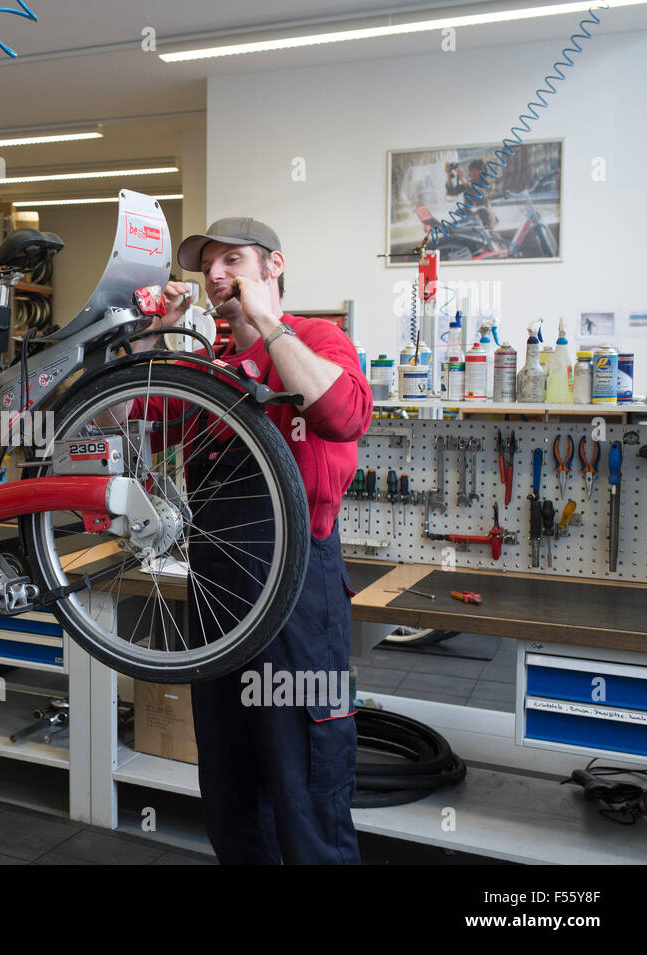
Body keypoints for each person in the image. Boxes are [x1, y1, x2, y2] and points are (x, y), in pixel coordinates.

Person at [136, 217, 372, 864]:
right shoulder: (202, 366)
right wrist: (155, 340)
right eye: (207, 263)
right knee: (231, 795)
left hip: (298, 596)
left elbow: (344, 414)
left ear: (273, 266)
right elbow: (125, 424)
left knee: (307, 792)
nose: (216, 274)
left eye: (232, 259)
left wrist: (270, 325)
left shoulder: (318, 340)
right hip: (216, 595)